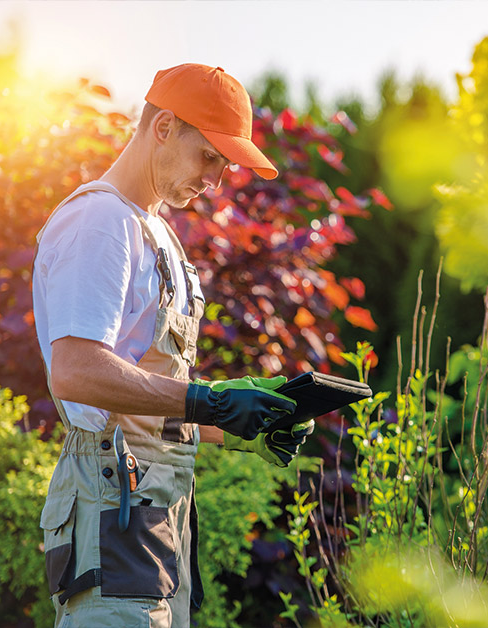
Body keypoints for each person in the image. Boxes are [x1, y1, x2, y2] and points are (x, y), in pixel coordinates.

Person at [32, 63, 313, 628]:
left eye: (225, 164)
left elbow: (155, 401)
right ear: (163, 127)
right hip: (113, 511)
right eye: (209, 155)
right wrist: (208, 400)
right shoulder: (100, 222)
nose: (215, 178)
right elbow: (76, 370)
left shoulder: (155, 231)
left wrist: (238, 421)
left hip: (158, 519)